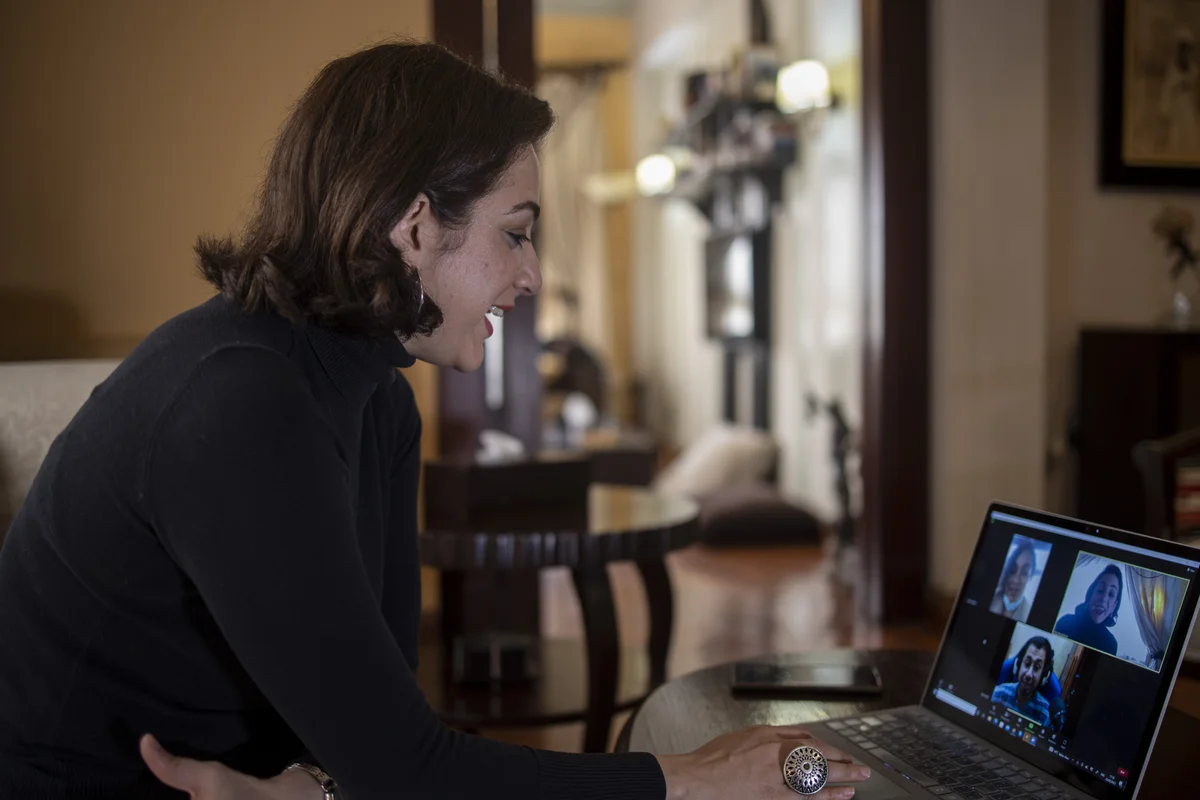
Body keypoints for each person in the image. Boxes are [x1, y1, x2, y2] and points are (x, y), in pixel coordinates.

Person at [0, 41, 869, 800]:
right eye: (516, 232)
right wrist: (694, 779)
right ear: (415, 227)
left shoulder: (377, 398)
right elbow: (408, 772)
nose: (530, 277)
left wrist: (323, 789)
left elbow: (383, 733)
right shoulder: (238, 400)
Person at [1053, 564, 1123, 656]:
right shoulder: (1065, 622)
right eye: (1101, 590)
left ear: (1114, 606)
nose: (1104, 598)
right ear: (1091, 594)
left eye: (1111, 594)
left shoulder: (1110, 644)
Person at [990, 636, 1054, 728]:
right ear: (1018, 665)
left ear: (1044, 676)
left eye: (1037, 667)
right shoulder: (998, 694)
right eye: (1027, 663)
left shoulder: (1045, 715)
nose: (1029, 674)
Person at [989, 538, 1037, 622]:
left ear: (1030, 577)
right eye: (1013, 570)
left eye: (1024, 572)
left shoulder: (1030, 616)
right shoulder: (990, 598)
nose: (1016, 580)